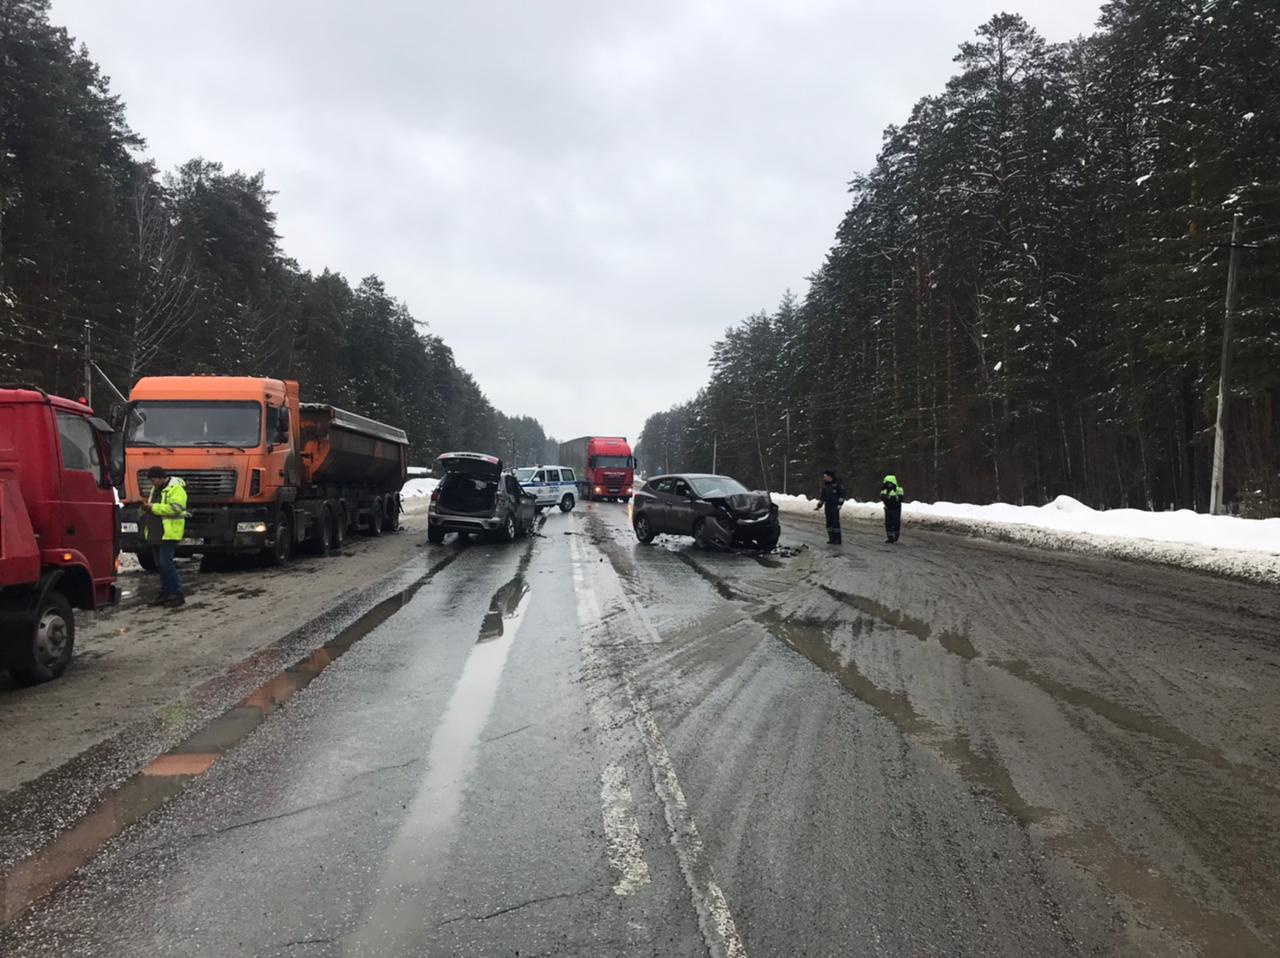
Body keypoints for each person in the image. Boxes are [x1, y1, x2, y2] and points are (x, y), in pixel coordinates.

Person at [141, 465, 189, 607]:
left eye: (154, 480)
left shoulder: (176, 489)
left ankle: (176, 593)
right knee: (160, 565)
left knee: (166, 564)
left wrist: (153, 507)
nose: (152, 483)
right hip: (156, 532)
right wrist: (145, 508)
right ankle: (165, 592)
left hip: (168, 533)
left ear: (162, 477)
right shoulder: (155, 489)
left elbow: (177, 508)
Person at [813, 469, 845, 544]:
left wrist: (840, 504)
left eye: (825, 476)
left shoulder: (837, 485)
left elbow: (842, 495)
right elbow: (822, 497)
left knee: (835, 522)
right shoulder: (825, 486)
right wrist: (819, 505)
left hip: (835, 505)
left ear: (829, 477)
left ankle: (837, 539)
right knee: (829, 522)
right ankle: (831, 538)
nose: (824, 478)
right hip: (828, 505)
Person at [880, 474, 904, 543]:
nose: (889, 485)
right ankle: (890, 537)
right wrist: (888, 498)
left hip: (896, 508)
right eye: (887, 483)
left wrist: (890, 498)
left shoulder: (898, 489)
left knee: (896, 522)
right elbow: (881, 496)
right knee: (888, 523)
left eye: (890, 483)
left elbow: (900, 497)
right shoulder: (884, 490)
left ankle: (896, 535)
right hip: (888, 508)